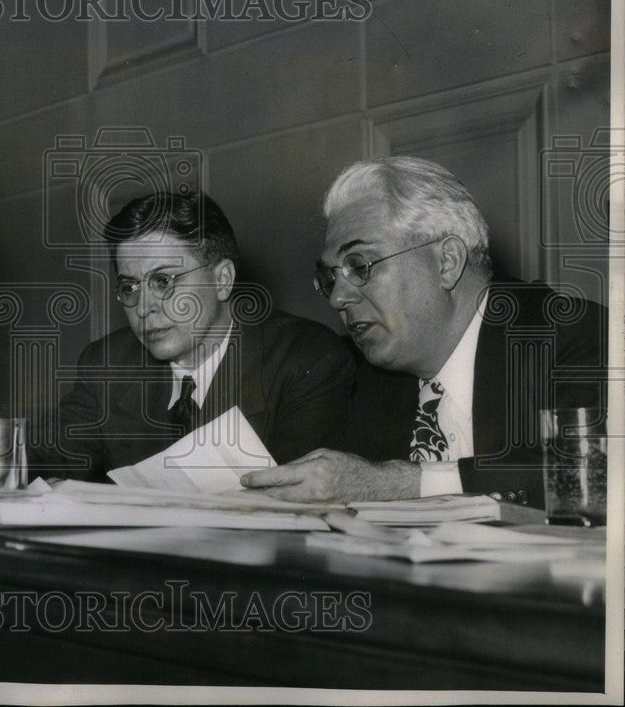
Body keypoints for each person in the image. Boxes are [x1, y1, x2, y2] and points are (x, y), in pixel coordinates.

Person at [241, 156, 606, 507]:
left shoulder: (576, 337)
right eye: (330, 277)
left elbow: (586, 474)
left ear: (447, 262)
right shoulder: (354, 374)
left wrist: (397, 483)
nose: (337, 298)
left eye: (360, 265)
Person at [28, 191, 356, 481]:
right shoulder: (108, 364)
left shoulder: (305, 358)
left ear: (223, 279)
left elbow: (298, 504)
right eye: (129, 286)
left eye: (163, 281)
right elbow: (43, 461)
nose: (143, 308)